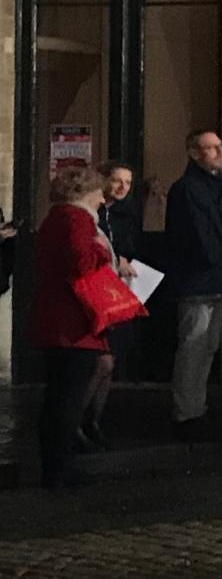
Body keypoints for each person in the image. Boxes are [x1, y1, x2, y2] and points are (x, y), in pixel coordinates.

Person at [30, 166, 123, 491]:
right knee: (68, 398)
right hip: (72, 324)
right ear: (86, 193)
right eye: (99, 192)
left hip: (58, 320)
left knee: (59, 396)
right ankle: (59, 469)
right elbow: (81, 262)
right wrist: (102, 250)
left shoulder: (57, 218)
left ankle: (56, 466)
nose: (102, 199)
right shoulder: (77, 219)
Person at [162, 127, 222, 438]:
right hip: (198, 278)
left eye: (220, 146)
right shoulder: (187, 189)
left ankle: (197, 405)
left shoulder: (219, 187)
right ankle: (185, 411)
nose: (219, 152)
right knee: (193, 345)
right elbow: (196, 234)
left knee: (208, 345)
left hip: (218, 277)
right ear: (194, 153)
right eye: (211, 147)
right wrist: (220, 259)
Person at [82, 163, 145, 448]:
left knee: (110, 362)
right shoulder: (92, 215)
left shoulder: (125, 214)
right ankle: (78, 421)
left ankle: (94, 421)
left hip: (118, 291)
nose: (122, 187)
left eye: (128, 183)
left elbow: (130, 246)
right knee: (100, 361)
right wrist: (115, 260)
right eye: (117, 180)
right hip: (98, 291)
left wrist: (125, 259)